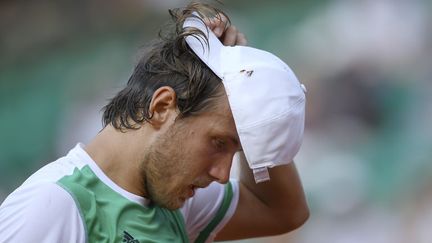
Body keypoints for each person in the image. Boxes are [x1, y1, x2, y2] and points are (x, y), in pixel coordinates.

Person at [0, 2, 309, 242]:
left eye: (237, 149)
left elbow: (283, 211)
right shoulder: (54, 206)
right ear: (162, 107)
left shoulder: (175, 202)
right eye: (218, 143)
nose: (222, 172)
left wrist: (256, 107)